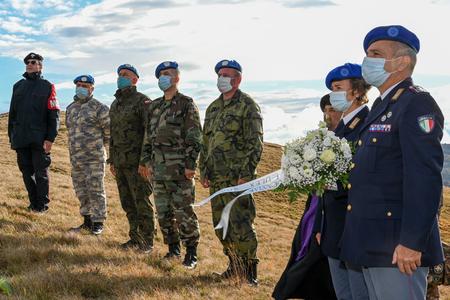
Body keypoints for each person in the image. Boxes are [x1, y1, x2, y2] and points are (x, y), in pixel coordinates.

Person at [339, 25, 445, 299]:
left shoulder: (416, 104)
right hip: (372, 242)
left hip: (398, 249)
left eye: (375, 54)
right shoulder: (382, 106)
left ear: (402, 62)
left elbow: (424, 179)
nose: (367, 60)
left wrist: (411, 242)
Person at [199, 59, 263, 286]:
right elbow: (205, 142)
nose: (222, 79)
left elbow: (255, 142)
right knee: (221, 225)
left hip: (237, 179)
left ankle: (249, 272)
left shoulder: (247, 105)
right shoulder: (213, 108)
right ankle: (234, 265)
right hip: (216, 178)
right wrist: (203, 169)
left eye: (227, 75)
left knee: (241, 223)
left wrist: (246, 175)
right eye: (220, 74)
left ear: (238, 79)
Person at [272, 95, 340, 300]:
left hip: (337, 210)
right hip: (316, 206)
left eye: (332, 109)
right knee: (308, 250)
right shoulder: (320, 140)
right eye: (325, 110)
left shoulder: (352, 137)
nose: (329, 115)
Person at [314, 63, 371, 299]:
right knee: (343, 294)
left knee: (360, 294)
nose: (332, 94)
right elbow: (323, 186)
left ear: (357, 91)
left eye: (338, 88)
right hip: (334, 228)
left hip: (355, 228)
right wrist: (320, 225)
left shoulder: (368, 125)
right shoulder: (338, 131)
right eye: (331, 89)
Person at [139, 61, 201, 269]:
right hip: (157, 170)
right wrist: (145, 162)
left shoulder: (186, 103)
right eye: (160, 75)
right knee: (163, 213)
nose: (163, 78)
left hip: (179, 171)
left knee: (184, 212)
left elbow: (194, 137)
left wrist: (191, 165)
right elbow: (148, 138)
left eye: (167, 74)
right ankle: (173, 249)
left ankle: (191, 252)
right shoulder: (155, 106)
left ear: (177, 78)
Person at [109, 64, 155, 252]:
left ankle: (147, 241)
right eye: (119, 74)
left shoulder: (142, 102)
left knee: (141, 202)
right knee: (127, 203)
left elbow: (149, 133)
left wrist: (145, 162)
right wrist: (111, 160)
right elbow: (113, 134)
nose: (121, 77)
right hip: (120, 162)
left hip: (137, 164)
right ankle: (135, 238)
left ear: (135, 79)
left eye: (126, 75)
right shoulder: (115, 104)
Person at [8, 52, 60, 213]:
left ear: (40, 66)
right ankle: (33, 204)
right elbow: (12, 113)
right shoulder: (18, 86)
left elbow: (54, 114)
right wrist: (12, 136)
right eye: (28, 62)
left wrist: (50, 138)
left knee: (41, 173)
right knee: (26, 172)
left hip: (39, 139)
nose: (30, 64)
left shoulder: (48, 86)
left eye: (33, 62)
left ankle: (42, 205)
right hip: (21, 138)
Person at [66, 75, 110, 235]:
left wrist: (109, 155)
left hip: (94, 159)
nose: (81, 87)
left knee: (96, 190)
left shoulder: (100, 108)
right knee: (81, 190)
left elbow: (109, 134)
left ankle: (98, 223)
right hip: (76, 159)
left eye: (85, 85)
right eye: (78, 84)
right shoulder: (71, 108)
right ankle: (87, 220)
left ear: (92, 88)